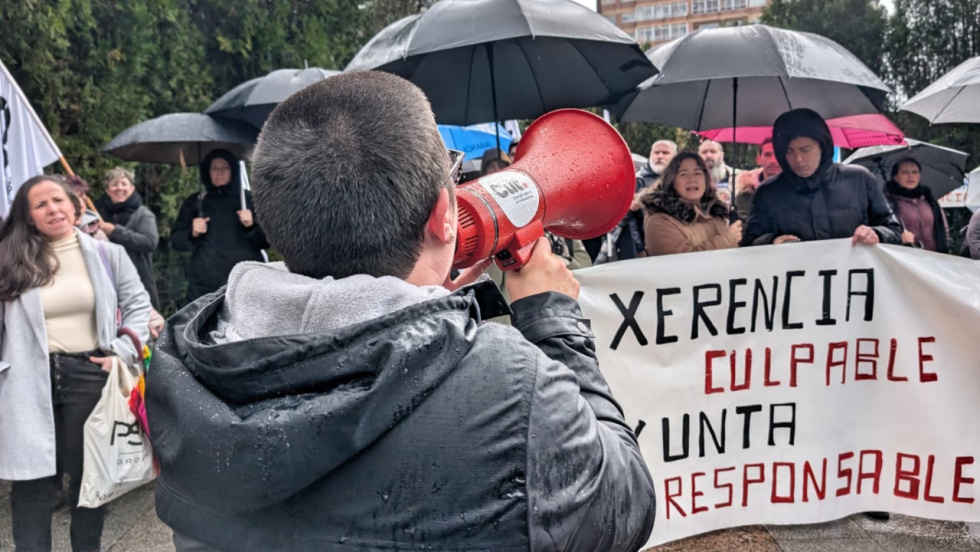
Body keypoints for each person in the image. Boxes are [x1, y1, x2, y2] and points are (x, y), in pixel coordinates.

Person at [147, 71, 655, 552]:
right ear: (443, 215)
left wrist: (425, 299)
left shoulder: (184, 362)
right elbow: (624, 505)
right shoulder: (515, 390)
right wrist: (552, 318)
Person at [0, 175, 150, 552]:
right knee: (31, 481)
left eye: (57, 200)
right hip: (26, 379)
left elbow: (138, 306)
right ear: (29, 216)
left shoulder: (107, 253)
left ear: (74, 206)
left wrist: (121, 349)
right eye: (40, 205)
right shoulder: (10, 258)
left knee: (89, 481)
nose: (52, 209)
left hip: (89, 374)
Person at [742, 109, 902, 247]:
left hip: (854, 279)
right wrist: (771, 241)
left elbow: (894, 230)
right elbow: (748, 243)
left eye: (805, 150)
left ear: (822, 146)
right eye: (789, 152)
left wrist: (876, 233)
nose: (798, 159)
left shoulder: (860, 179)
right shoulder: (768, 192)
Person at [171, 149, 269, 303]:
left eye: (225, 167)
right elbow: (176, 241)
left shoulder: (250, 199)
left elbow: (268, 241)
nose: (220, 173)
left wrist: (252, 225)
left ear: (233, 170)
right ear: (207, 172)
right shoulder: (195, 202)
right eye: (214, 168)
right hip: (204, 286)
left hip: (245, 283)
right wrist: (192, 232)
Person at [641, 151, 741, 256]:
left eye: (697, 173)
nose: (692, 179)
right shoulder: (659, 221)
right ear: (672, 181)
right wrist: (726, 240)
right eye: (683, 174)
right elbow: (683, 264)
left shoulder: (715, 213)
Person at [94, 167, 163, 308]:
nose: (119, 188)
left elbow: (149, 242)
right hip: (107, 281)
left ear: (132, 188)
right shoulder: (97, 213)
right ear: (108, 190)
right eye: (114, 184)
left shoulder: (143, 214)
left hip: (138, 281)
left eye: (124, 184)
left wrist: (115, 231)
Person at [882, 157, 949, 253]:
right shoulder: (888, 202)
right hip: (906, 258)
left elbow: (944, 228)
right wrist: (899, 238)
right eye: (905, 172)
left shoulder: (929, 199)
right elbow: (885, 231)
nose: (910, 176)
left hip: (935, 257)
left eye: (914, 172)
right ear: (896, 177)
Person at [733, 138, 782, 220]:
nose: (773, 161)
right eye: (767, 155)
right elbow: (744, 225)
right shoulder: (746, 193)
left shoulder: (796, 190)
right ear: (758, 159)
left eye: (777, 155)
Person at [698, 139, 739, 205]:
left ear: (722, 155)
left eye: (713, 151)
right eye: (704, 152)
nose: (708, 155)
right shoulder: (692, 179)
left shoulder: (738, 176)